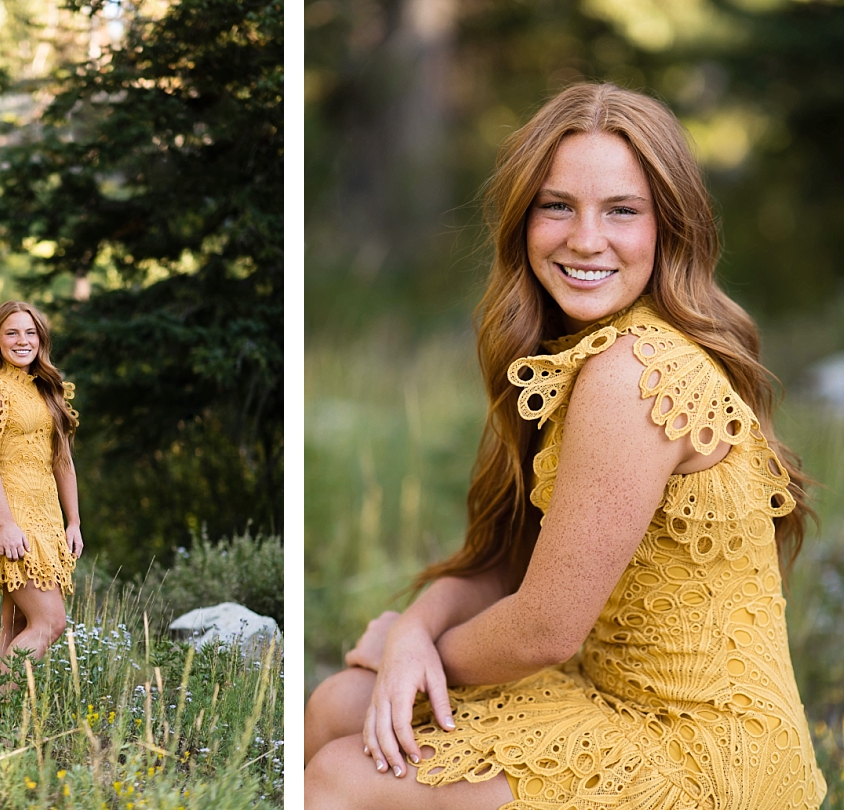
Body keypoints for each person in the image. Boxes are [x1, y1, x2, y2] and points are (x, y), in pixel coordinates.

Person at [304, 83, 826, 810]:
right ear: (523, 221)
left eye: (622, 210)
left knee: (338, 777)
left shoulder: (636, 372)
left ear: (668, 228)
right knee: (338, 704)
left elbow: (545, 630)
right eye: (558, 206)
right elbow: (513, 563)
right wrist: (415, 627)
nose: (585, 239)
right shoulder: (580, 356)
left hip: (703, 755)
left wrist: (417, 653)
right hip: (616, 700)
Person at [0, 300, 83, 679]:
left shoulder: (47, 389)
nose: (22, 340)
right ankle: (5, 707)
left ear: (40, 339)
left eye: (30, 332)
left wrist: (73, 521)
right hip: (12, 515)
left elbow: (63, 461)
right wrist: (6, 524)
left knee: (15, 626)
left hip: (48, 518)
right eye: (12, 332)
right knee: (50, 623)